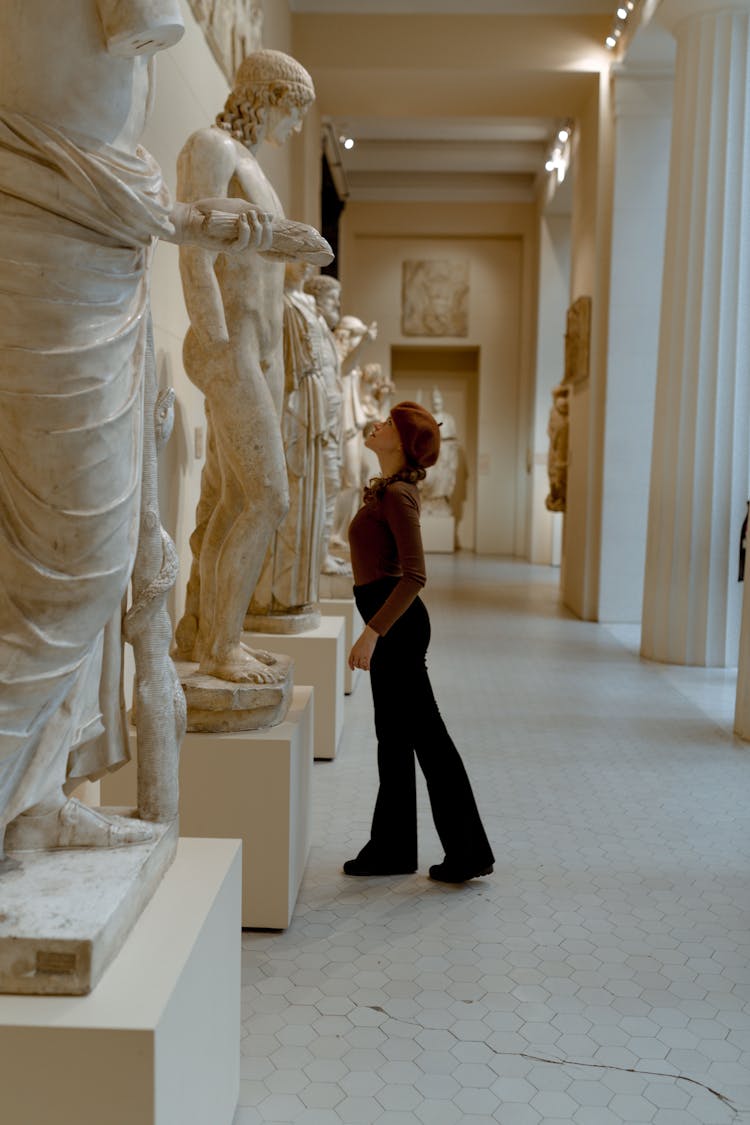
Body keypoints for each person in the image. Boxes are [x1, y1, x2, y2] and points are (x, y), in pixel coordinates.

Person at [172, 49, 325, 682]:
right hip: (231, 347)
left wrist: (293, 254)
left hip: (259, 349)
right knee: (267, 497)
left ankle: (205, 632)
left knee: (236, 497)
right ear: (265, 96)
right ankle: (221, 645)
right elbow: (194, 249)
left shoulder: (252, 165)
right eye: (292, 112)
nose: (292, 129)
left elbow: (255, 264)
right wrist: (212, 340)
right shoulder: (210, 146)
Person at [345, 402, 494, 883]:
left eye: (388, 423)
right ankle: (391, 849)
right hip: (390, 622)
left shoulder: (398, 497)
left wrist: (373, 632)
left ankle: (468, 852)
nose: (377, 425)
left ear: (403, 442)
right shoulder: (386, 491)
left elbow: (414, 576)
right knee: (393, 740)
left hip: (398, 628)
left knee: (429, 740)